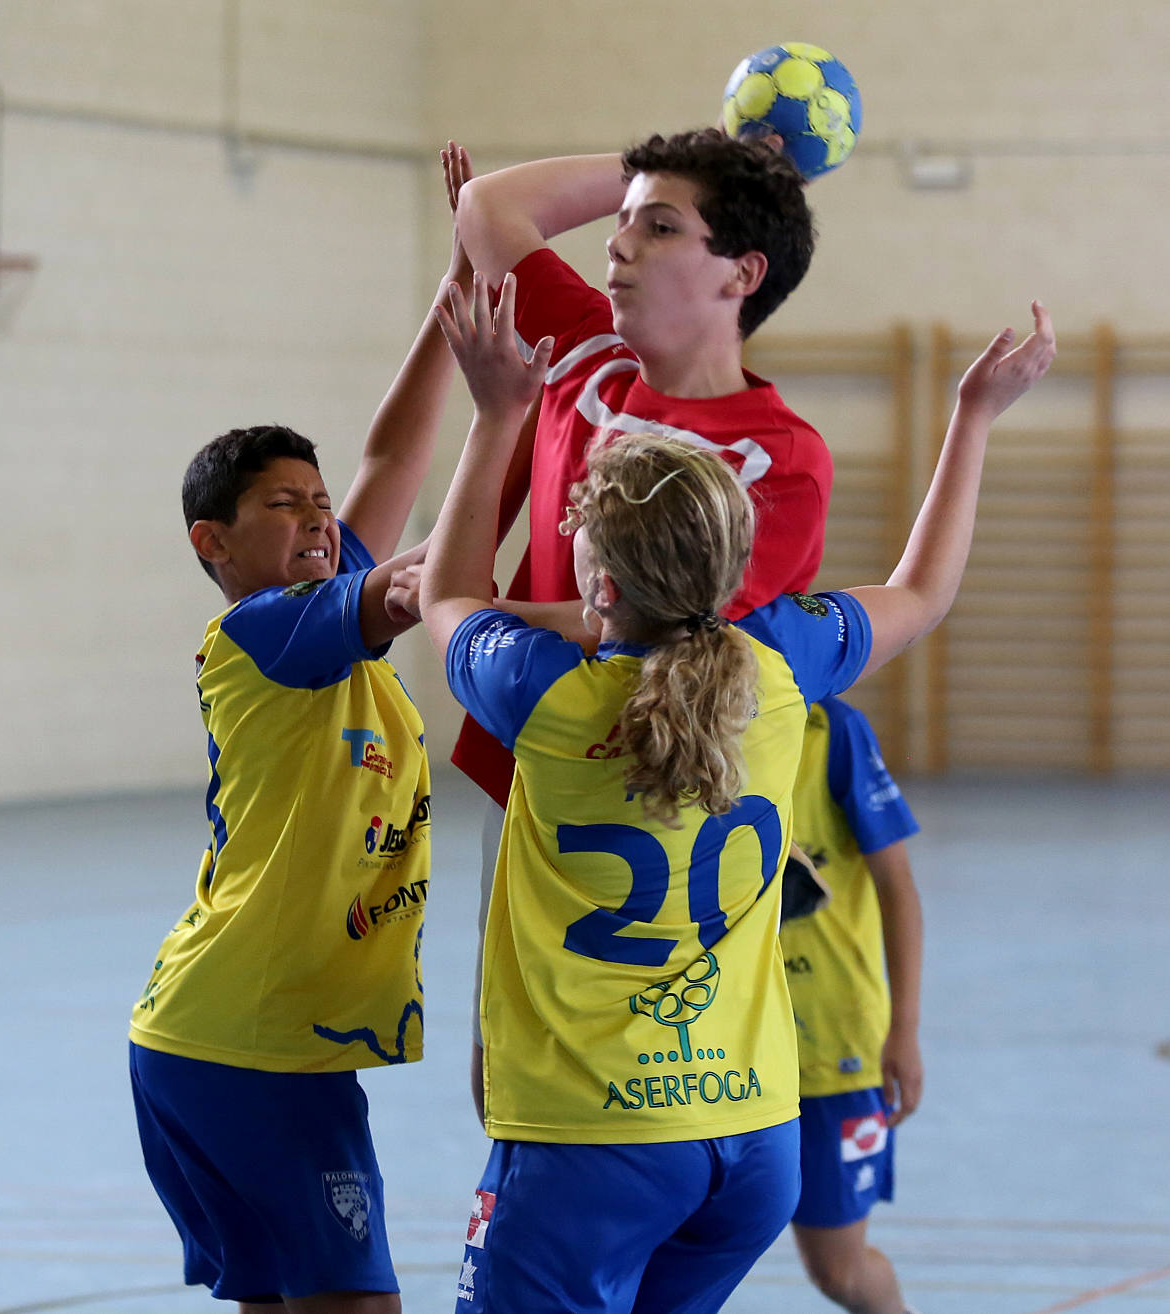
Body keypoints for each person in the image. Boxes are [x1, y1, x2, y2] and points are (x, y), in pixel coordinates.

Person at [418, 272, 1054, 1313]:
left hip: (593, 1134)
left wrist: (497, 416)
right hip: (753, 1139)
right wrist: (972, 418)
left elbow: (448, 595)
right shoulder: (784, 664)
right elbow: (922, 592)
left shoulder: (541, 692)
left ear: (598, 586)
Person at [428, 130, 833, 1111]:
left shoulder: (777, 458)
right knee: (505, 1070)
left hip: (667, 789)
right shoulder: (586, 357)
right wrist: (695, 154)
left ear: (741, 273)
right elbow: (488, 207)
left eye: (657, 227)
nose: (616, 244)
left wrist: (474, 608)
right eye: (619, 222)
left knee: (666, 1077)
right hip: (540, 763)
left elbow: (660, 623)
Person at [127, 183, 475, 1313]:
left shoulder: (315, 605)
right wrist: (512, 418)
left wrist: (456, 293)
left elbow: (394, 454)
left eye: (322, 503)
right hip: (254, 1041)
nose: (320, 518)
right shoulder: (267, 631)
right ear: (214, 542)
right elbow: (422, 581)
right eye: (286, 506)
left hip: (220, 1034)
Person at [784, 698, 924, 1314]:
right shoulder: (679, 715)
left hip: (832, 1045)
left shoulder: (830, 731)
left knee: (838, 1271)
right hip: (718, 1044)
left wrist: (904, 1030)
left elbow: (897, 887)